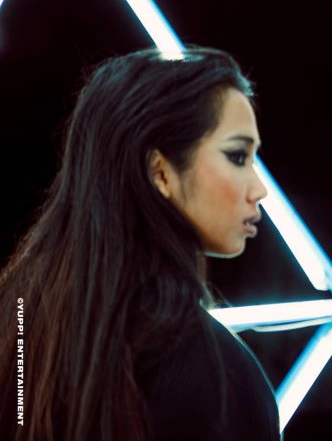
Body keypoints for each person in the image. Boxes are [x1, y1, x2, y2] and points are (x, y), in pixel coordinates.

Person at [0, 46, 280, 440]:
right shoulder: (221, 377)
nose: (260, 189)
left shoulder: (19, 327)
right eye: (237, 156)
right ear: (159, 172)